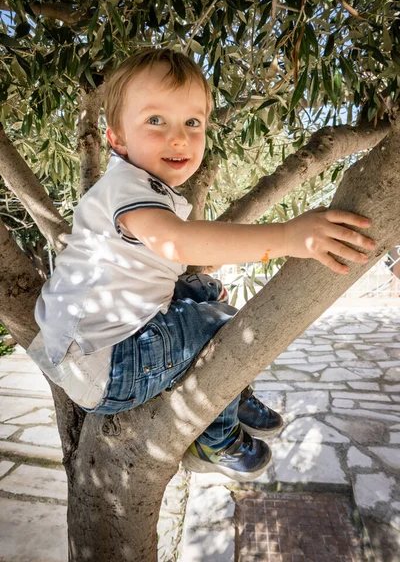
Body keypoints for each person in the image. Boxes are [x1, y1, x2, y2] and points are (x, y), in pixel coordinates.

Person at [27, 48, 376, 481]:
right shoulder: (126, 189)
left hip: (95, 346)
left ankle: (231, 390)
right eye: (156, 121)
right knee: (225, 323)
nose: (179, 138)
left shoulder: (134, 186)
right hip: (111, 364)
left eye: (192, 122)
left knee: (204, 293)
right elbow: (179, 244)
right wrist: (288, 237)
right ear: (116, 138)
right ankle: (218, 436)